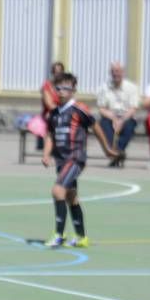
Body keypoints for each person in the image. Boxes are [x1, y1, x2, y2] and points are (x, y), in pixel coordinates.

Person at [43, 73, 117, 249]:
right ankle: (81, 237)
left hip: (75, 158)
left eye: (66, 88)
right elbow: (50, 136)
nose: (61, 92)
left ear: (73, 90)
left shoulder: (79, 109)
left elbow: (96, 127)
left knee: (57, 190)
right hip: (61, 160)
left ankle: (59, 235)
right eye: (58, 88)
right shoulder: (53, 114)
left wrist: (106, 149)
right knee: (71, 196)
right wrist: (46, 154)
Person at [96, 61, 139, 167]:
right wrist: (114, 118)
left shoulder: (132, 87)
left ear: (123, 72)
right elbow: (101, 108)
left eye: (118, 71)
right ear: (110, 73)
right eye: (113, 71)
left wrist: (121, 120)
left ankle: (117, 153)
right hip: (109, 116)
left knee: (130, 126)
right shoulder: (104, 88)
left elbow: (133, 108)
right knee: (103, 126)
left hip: (126, 116)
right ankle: (116, 154)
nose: (116, 74)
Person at [36, 61, 65, 150]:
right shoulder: (47, 86)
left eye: (60, 72)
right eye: (55, 72)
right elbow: (49, 104)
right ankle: (52, 146)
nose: (57, 74)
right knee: (53, 117)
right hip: (49, 113)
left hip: (62, 111)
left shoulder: (65, 85)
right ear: (52, 73)